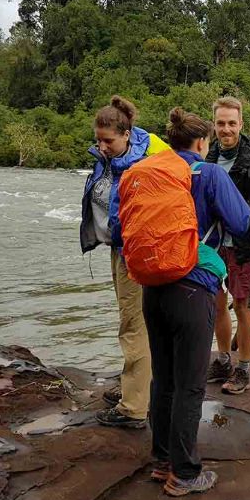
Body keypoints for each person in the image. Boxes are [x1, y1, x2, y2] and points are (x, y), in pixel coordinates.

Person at [142, 108, 250, 495]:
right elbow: (240, 222)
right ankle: (185, 473)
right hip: (193, 286)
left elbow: (122, 229)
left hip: (152, 286)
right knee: (190, 385)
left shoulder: (149, 171)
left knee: (164, 378)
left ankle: (162, 460)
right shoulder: (210, 173)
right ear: (202, 142)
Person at [80, 95, 167, 429]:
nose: (102, 146)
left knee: (133, 326)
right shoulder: (113, 157)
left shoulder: (138, 165)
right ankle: (137, 389)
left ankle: (133, 407)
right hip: (121, 247)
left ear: (127, 134)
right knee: (134, 322)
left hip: (138, 251)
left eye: (108, 140)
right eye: (98, 139)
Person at [205, 96, 250, 395]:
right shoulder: (208, 156)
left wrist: (237, 214)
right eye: (221, 123)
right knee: (216, 302)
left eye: (231, 123)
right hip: (212, 241)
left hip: (243, 242)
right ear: (214, 125)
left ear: (241, 124)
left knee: (242, 305)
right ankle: (222, 360)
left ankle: (243, 368)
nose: (226, 129)